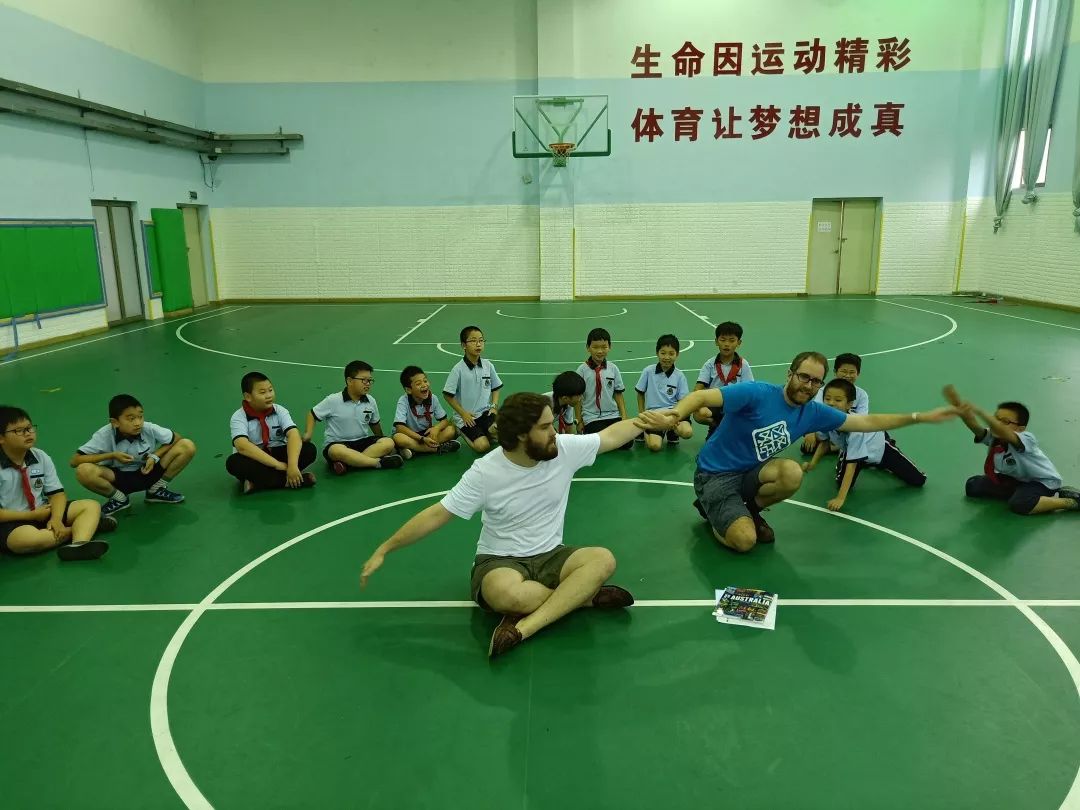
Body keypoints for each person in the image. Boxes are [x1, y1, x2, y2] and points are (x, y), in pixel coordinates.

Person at [360, 392, 649, 658]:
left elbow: (611, 436)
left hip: (551, 555)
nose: (554, 431)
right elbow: (438, 514)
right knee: (504, 593)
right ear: (522, 434)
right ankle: (583, 597)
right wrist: (385, 548)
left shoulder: (562, 448)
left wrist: (651, 420)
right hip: (500, 561)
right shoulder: (486, 471)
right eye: (545, 427)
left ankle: (523, 628)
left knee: (602, 559)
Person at [638, 351, 956, 552]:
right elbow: (701, 398)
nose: (808, 385)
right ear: (789, 374)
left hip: (750, 473)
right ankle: (711, 512)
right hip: (715, 475)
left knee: (791, 472)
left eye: (816, 381)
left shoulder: (812, 412)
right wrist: (674, 415)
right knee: (745, 542)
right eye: (804, 377)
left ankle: (748, 510)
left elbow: (865, 421)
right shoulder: (757, 393)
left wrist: (918, 417)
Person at [1, 405, 112, 560]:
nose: (28, 433)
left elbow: (57, 494)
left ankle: (79, 544)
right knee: (24, 540)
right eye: (18, 431)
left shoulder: (40, 456)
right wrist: (30, 515)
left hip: (42, 512)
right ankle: (79, 529)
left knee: (91, 506)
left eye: (29, 428)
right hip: (11, 521)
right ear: (1, 438)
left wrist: (56, 519)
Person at [803, 378, 926, 512]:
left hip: (880, 449)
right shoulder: (826, 420)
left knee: (918, 481)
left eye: (838, 400)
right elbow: (824, 442)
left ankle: (884, 454)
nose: (831, 403)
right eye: (827, 399)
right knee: (841, 482)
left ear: (849, 404)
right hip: (851, 451)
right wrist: (813, 464)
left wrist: (840, 498)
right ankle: (856, 458)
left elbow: (852, 465)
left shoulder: (855, 429)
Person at [950, 389, 1079, 515]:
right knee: (973, 486)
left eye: (1005, 421)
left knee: (1020, 503)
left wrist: (980, 412)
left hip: (1043, 482)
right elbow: (977, 429)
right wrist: (964, 414)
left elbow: (1003, 432)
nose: (997, 423)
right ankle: (1024, 494)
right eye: (996, 418)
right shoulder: (995, 436)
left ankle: (1070, 502)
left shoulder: (1026, 438)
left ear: (1020, 428)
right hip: (1017, 479)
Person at [72, 394, 195, 517]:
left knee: (186, 445)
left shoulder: (148, 428)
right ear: (115, 422)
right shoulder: (104, 434)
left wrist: (154, 456)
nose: (138, 423)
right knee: (83, 470)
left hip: (148, 471)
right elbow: (75, 460)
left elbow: (176, 437)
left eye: (140, 417)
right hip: (118, 478)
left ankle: (155, 489)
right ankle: (119, 499)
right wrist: (111, 455)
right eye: (131, 419)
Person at [226, 371, 317, 493]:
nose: (269, 395)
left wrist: (293, 465)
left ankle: (258, 483)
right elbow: (242, 446)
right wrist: (277, 465)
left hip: (276, 451)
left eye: (270, 390)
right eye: (262, 392)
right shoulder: (238, 417)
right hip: (255, 459)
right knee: (233, 463)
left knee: (309, 449)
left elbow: (293, 435)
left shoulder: (280, 410)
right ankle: (291, 480)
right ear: (248, 397)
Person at [305, 361, 403, 474]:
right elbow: (312, 414)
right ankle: (377, 463)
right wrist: (308, 434)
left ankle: (350, 463)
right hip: (339, 444)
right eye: (364, 380)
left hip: (362, 442)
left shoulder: (371, 401)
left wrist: (383, 440)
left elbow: (374, 424)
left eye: (370, 380)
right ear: (349, 381)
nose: (368, 384)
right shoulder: (333, 400)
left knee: (388, 442)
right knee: (336, 451)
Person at [443, 326, 502, 453]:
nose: (478, 344)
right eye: (473, 341)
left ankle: (486, 433)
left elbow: (496, 387)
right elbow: (447, 395)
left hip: (485, 413)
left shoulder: (488, 365)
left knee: (504, 433)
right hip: (467, 418)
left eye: (481, 340)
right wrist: (463, 413)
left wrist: (494, 406)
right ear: (463, 345)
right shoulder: (458, 369)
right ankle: (460, 429)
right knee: (483, 446)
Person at [802, 352, 868, 454]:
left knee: (862, 433)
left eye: (852, 372)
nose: (847, 376)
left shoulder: (862, 395)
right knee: (807, 445)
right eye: (844, 371)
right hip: (829, 428)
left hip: (849, 430)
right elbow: (815, 412)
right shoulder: (824, 391)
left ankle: (835, 447)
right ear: (835, 372)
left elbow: (862, 419)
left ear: (858, 373)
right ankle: (839, 447)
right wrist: (810, 432)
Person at [693, 321, 753, 436]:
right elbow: (698, 388)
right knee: (699, 414)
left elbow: (750, 390)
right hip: (715, 405)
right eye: (723, 340)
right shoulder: (710, 364)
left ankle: (731, 429)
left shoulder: (743, 364)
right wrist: (699, 403)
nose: (727, 344)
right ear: (716, 341)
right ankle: (716, 427)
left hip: (734, 405)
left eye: (732, 340)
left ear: (739, 343)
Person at [635, 334, 693, 451]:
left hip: (673, 413)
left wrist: (675, 418)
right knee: (655, 446)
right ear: (657, 353)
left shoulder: (679, 376)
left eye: (671, 354)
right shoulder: (648, 371)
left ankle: (671, 431)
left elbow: (683, 401)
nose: (667, 357)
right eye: (663, 353)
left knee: (687, 432)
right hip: (654, 414)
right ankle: (643, 430)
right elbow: (640, 393)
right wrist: (642, 415)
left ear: (677, 354)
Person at [576, 327, 630, 449]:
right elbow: (578, 399)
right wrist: (579, 421)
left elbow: (618, 394)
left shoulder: (613, 369)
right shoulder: (582, 370)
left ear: (609, 347)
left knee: (628, 443)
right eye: (595, 347)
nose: (600, 351)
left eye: (604, 347)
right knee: (597, 442)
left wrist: (624, 416)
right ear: (588, 348)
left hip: (613, 415)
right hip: (591, 417)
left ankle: (609, 441)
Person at [392, 365, 460, 456]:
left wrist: (436, 428)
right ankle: (435, 448)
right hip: (411, 435)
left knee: (450, 430)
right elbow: (400, 427)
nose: (424, 385)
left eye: (425, 381)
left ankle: (415, 450)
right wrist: (421, 439)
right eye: (418, 384)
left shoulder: (433, 398)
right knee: (398, 438)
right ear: (408, 390)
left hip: (427, 433)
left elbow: (444, 421)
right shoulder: (403, 401)